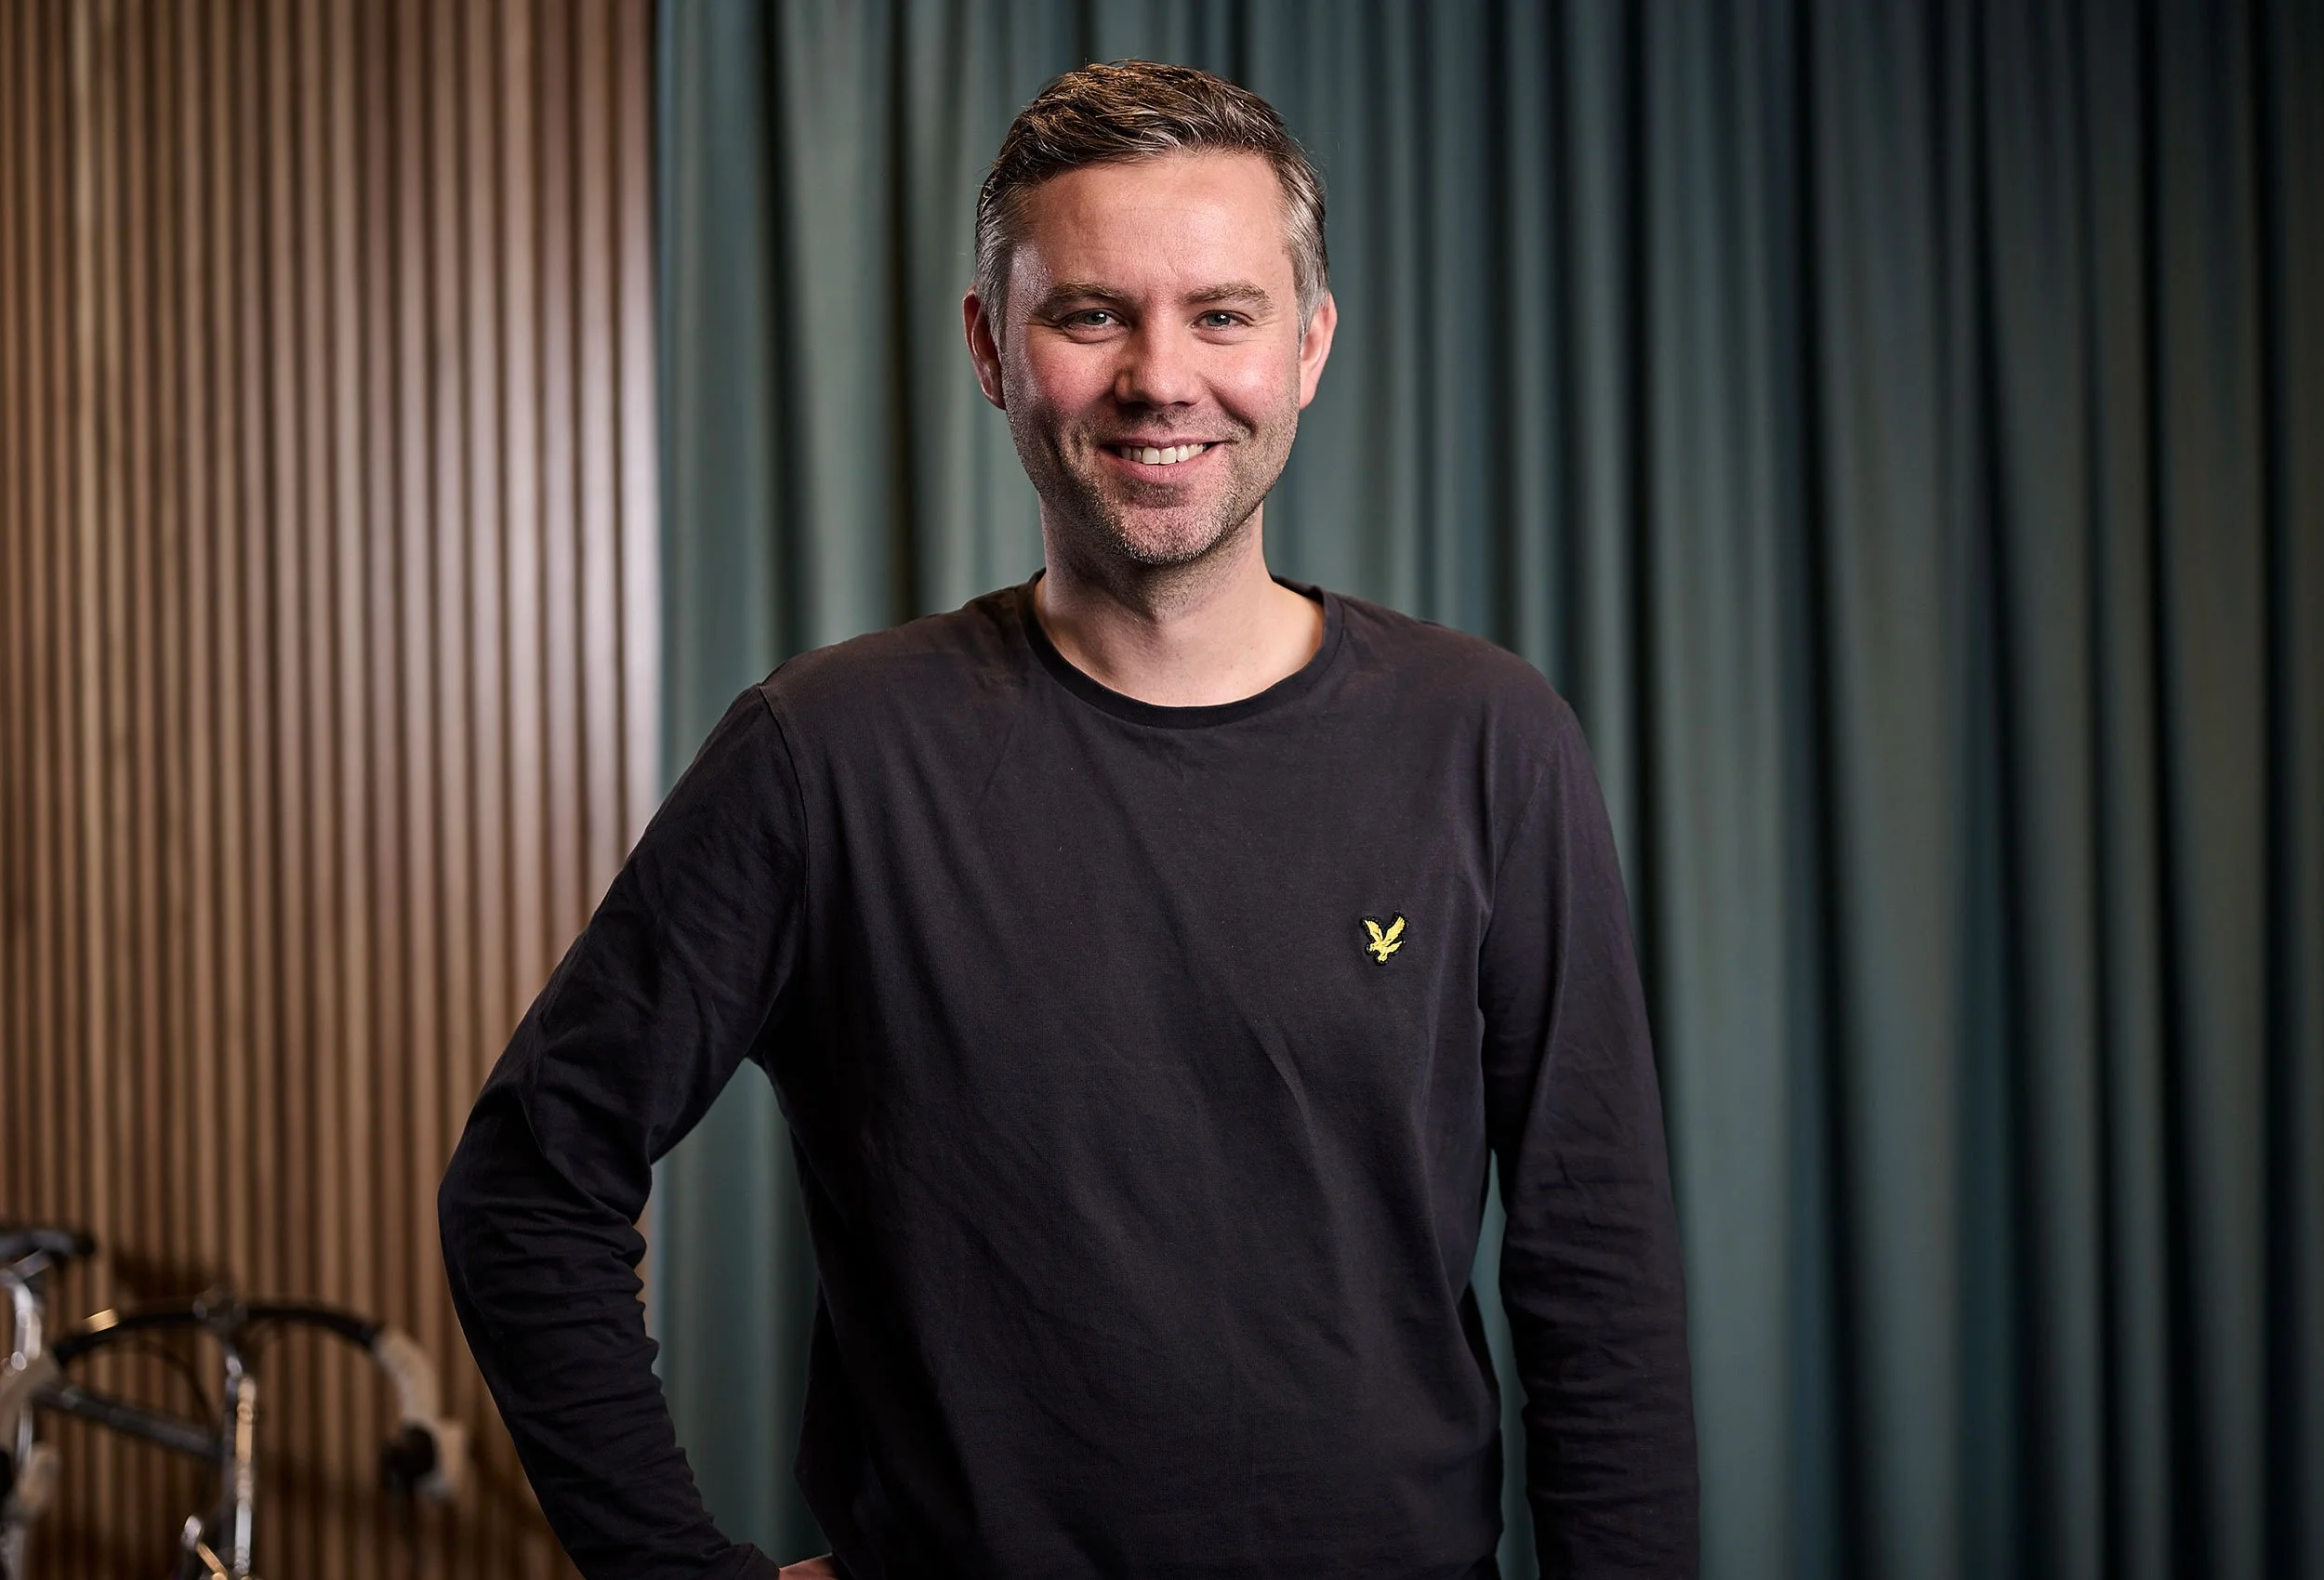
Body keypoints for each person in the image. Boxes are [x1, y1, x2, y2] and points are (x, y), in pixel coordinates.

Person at [439, 59, 1696, 1580]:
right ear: (991, 346)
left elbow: (1595, 1269)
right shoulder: (826, 754)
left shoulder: (1486, 740)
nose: (1161, 378)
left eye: (1222, 315)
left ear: (1309, 345)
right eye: (1093, 314)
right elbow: (528, 1187)